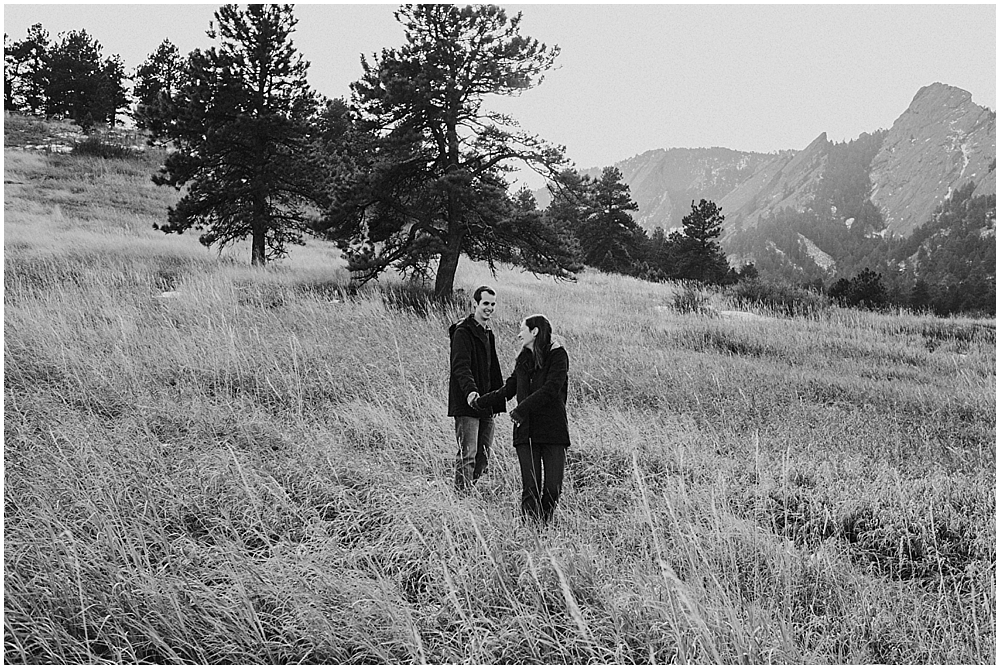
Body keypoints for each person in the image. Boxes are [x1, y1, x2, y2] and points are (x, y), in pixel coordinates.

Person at [474, 314, 570, 523]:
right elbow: (509, 389)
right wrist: (480, 402)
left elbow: (551, 389)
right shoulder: (523, 360)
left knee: (553, 488)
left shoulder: (558, 356)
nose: (519, 334)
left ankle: (543, 524)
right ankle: (532, 533)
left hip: (554, 430)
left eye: (522, 329)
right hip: (526, 431)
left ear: (534, 332)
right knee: (531, 488)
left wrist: (521, 409)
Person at [448, 285, 505, 491]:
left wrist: (496, 400)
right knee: (468, 454)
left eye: (492, 304)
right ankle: (462, 499)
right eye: (485, 304)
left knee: (483, 454)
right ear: (475, 304)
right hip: (467, 403)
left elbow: (492, 368)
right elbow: (460, 366)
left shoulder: (488, 333)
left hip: (486, 403)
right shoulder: (463, 332)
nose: (489, 308)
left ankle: (469, 491)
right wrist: (471, 392)